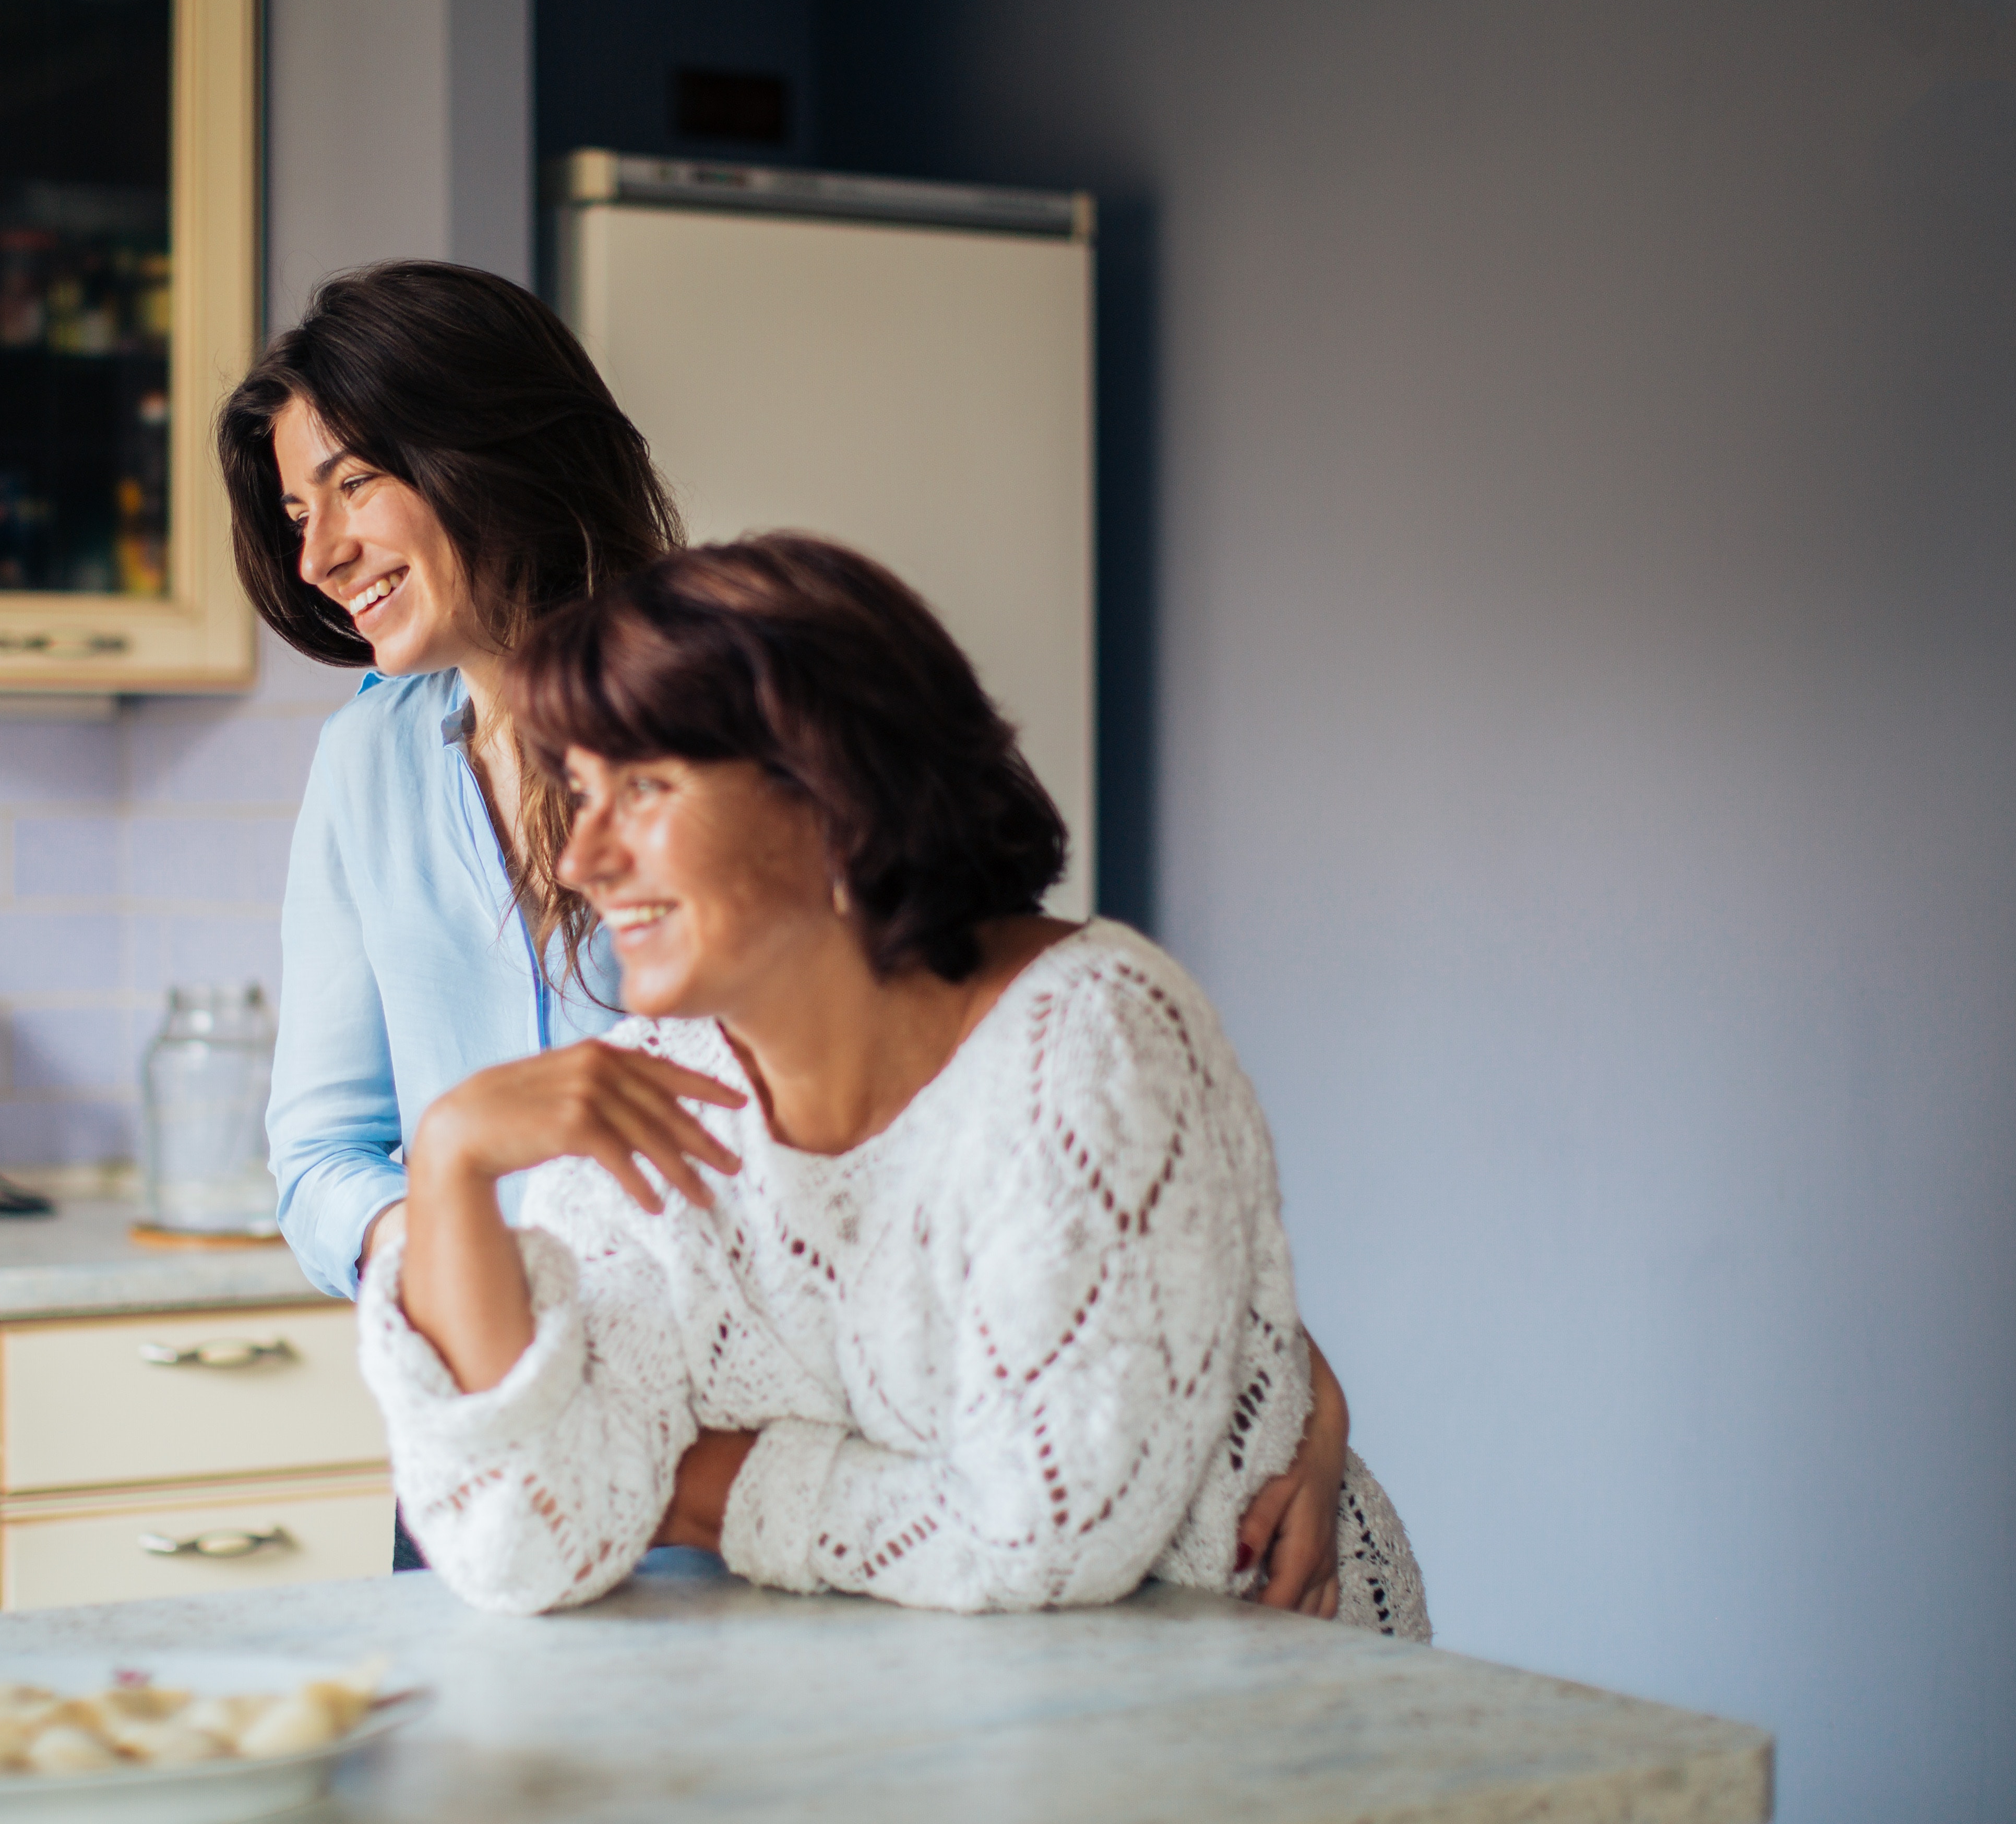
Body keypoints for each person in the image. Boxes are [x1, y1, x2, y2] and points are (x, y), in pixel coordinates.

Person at [219, 262, 1361, 1613]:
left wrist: (1276, 1381)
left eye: (351, 485)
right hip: (530, 1420)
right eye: (296, 512)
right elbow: (319, 1154)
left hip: (831, 1454)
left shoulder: (736, 685)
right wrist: (477, 1242)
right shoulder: (370, 767)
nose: (317, 555)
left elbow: (1009, 1110)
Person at [350, 536, 1430, 1626]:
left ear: (828, 794)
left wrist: (690, 1487)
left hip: (1254, 1720)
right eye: (577, 790)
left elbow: (1043, 1541)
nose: (581, 858)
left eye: (642, 788)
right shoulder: (653, 1098)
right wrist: (449, 1160)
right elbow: (524, 1536)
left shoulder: (1090, 1034)